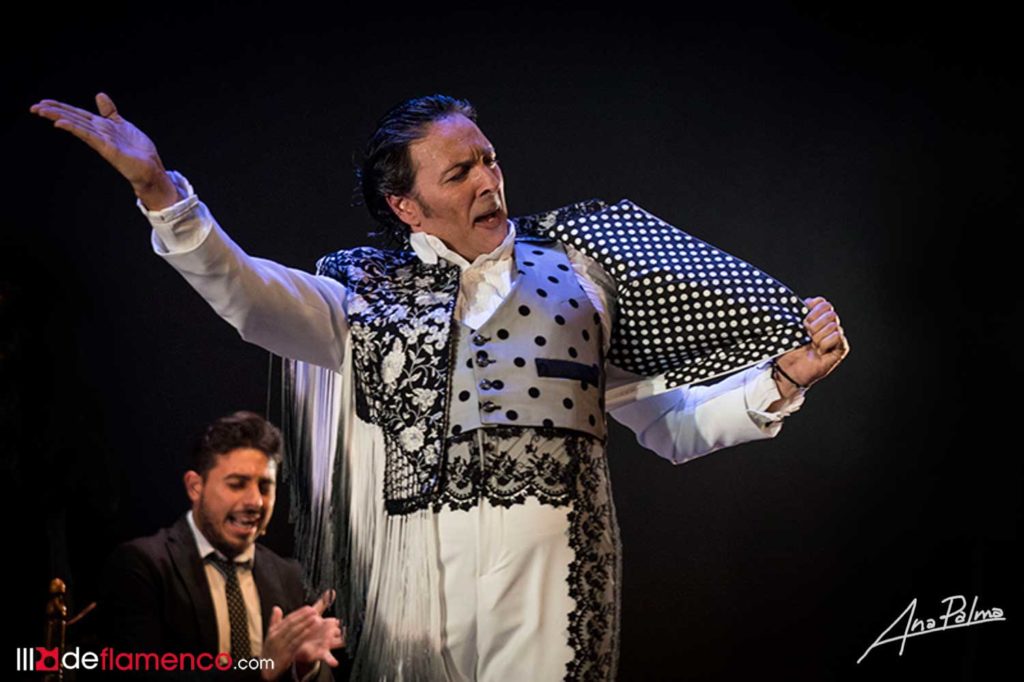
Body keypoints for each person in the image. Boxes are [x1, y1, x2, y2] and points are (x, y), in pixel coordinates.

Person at [31, 93, 849, 681]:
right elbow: (247, 292)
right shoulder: (361, 295)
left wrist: (779, 380)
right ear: (408, 207)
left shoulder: (580, 278)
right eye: (460, 172)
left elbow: (672, 426)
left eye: (489, 159)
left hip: (553, 581)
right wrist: (160, 192)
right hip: (416, 591)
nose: (489, 181)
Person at [98, 411, 344, 680]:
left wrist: (306, 667)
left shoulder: (291, 578)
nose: (255, 502)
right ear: (195, 487)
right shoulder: (141, 566)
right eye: (237, 484)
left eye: (265, 487)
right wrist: (260, 669)